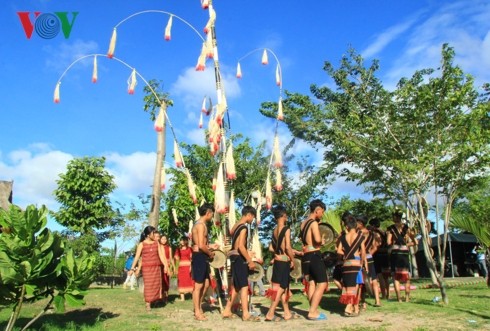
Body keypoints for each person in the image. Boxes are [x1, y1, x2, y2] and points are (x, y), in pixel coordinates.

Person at [222, 206, 260, 322]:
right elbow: (240, 246)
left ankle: (227, 310)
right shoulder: (244, 227)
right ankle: (246, 314)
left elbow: (232, 238)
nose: (252, 220)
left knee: (237, 286)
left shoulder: (236, 225)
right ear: (249, 215)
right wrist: (249, 260)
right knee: (244, 286)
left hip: (233, 257)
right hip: (239, 258)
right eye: (252, 217)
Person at [264, 205, 298, 322]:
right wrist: (293, 260)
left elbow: (270, 248)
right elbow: (288, 247)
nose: (287, 217)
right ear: (283, 215)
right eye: (286, 215)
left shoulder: (274, 231)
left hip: (277, 261)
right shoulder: (286, 229)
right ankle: (270, 312)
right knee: (282, 288)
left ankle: (287, 313)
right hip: (284, 261)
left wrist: (278, 252)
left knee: (281, 287)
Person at [299, 199, 328, 320]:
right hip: (314, 255)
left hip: (305, 256)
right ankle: (312, 311)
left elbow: (303, 240)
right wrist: (322, 241)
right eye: (322, 212)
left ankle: (313, 309)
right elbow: (317, 240)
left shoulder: (303, 223)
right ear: (318, 210)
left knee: (311, 283)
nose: (322, 214)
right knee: (322, 283)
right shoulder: (313, 223)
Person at [129, 226, 168, 311]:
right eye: (153, 233)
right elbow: (137, 257)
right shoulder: (141, 244)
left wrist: (165, 265)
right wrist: (132, 269)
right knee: (148, 286)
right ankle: (148, 304)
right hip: (147, 268)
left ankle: (154, 301)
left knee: (156, 285)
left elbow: (161, 255)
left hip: (156, 268)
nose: (154, 234)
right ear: (148, 234)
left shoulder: (156, 243)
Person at [337, 213, 367, 317]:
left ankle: (352, 306)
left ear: (347, 226)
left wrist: (347, 254)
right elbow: (363, 252)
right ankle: (350, 306)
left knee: (347, 284)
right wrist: (364, 263)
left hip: (346, 263)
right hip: (356, 262)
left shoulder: (343, 237)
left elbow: (339, 251)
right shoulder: (360, 236)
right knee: (356, 285)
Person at [191, 203, 216, 321]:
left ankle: (198, 306)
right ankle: (197, 311)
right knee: (198, 285)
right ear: (208, 213)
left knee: (206, 284)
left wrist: (211, 246)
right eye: (212, 214)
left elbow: (202, 243)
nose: (212, 217)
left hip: (202, 255)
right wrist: (210, 253)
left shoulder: (202, 224)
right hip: (200, 256)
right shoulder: (200, 225)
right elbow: (200, 245)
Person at [386, 210, 418, 302]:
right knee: (406, 275)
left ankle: (399, 299)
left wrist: (391, 247)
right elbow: (415, 242)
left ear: (395, 217)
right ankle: (407, 298)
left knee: (396, 277)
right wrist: (406, 245)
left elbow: (388, 242)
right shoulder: (407, 228)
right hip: (404, 252)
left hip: (395, 252)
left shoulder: (390, 229)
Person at [357, 215, 381, 309]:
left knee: (362, 280)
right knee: (374, 280)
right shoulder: (371, 234)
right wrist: (369, 254)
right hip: (369, 257)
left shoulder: (358, 233)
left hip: (360, 258)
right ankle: (377, 301)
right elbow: (375, 246)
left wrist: (361, 255)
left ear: (361, 223)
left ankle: (363, 302)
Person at [369, 217, 391, 300]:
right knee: (386, 276)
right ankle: (388, 293)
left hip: (378, 254)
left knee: (380, 275)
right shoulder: (384, 232)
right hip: (385, 254)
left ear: (373, 225)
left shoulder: (375, 233)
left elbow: (377, 244)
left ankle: (384, 295)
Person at [174, 236, 194, 301]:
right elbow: (176, 259)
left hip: (188, 266)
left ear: (186, 241)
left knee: (189, 280)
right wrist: (176, 268)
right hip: (181, 267)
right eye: (181, 240)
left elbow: (192, 259)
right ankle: (182, 298)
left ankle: (193, 296)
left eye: (183, 240)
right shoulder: (178, 249)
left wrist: (191, 266)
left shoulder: (190, 249)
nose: (182, 242)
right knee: (181, 281)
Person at [159, 234, 174, 303]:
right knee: (160, 281)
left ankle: (166, 296)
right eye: (162, 239)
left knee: (166, 281)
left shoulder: (169, 248)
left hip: (167, 266)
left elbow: (171, 258)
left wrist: (172, 267)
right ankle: (160, 296)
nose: (164, 240)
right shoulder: (158, 247)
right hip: (160, 266)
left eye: (165, 239)